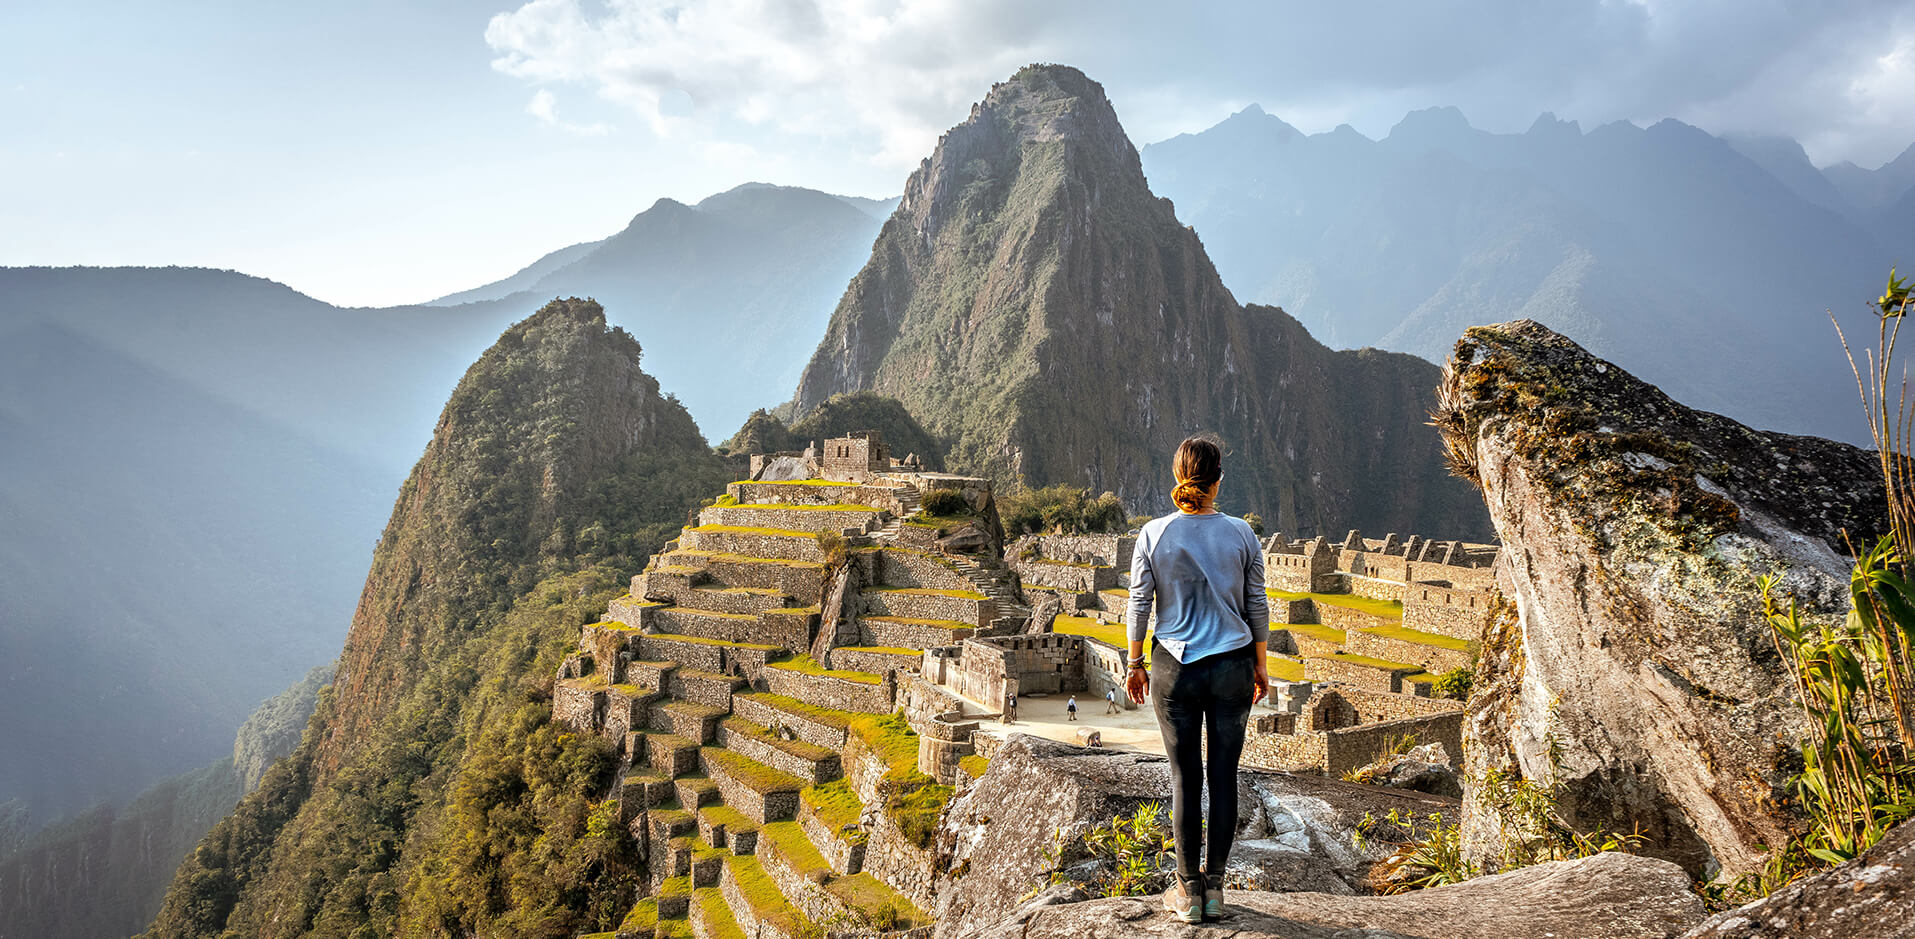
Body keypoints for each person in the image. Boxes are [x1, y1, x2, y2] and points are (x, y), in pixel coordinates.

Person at [1125, 436, 1269, 924]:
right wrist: (1261, 664)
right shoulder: (1242, 534)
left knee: (1186, 777)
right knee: (1224, 776)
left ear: (1176, 475)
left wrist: (1133, 663)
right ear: (1219, 479)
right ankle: (1216, 890)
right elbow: (1256, 604)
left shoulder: (1154, 533)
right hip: (1233, 665)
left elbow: (1139, 603)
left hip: (1175, 667)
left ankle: (1186, 893)